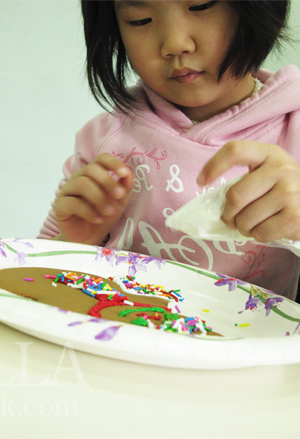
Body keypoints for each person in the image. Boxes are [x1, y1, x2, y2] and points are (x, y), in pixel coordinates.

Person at [39, 0, 300, 299]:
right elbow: (34, 275)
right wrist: (73, 241)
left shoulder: (293, 128)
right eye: (140, 20)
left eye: (200, 6)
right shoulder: (105, 137)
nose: (175, 44)